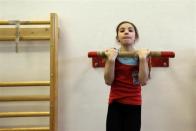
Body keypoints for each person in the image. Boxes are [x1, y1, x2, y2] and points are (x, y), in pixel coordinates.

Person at [104, 21, 150, 131]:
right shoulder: (112, 55)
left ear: (135, 37)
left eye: (130, 30)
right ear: (117, 38)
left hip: (134, 103)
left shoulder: (143, 55)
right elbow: (108, 81)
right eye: (122, 30)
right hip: (115, 103)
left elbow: (143, 81)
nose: (126, 32)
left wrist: (143, 59)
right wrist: (110, 60)